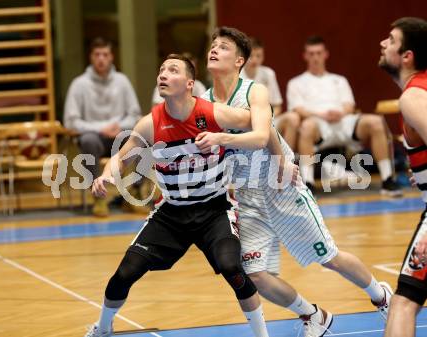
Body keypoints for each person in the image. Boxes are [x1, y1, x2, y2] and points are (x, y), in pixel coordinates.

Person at [200, 26, 393, 337]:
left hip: (279, 185)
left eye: (223, 47)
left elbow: (264, 134)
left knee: (328, 257)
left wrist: (281, 161)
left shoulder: (254, 91)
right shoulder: (204, 101)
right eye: (213, 45)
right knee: (255, 273)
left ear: (239, 61)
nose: (214, 50)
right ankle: (312, 314)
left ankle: (381, 296)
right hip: (247, 196)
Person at [84, 54, 273, 337]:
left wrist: (255, 107)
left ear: (189, 84)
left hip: (215, 210)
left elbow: (260, 125)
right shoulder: (150, 123)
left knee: (232, 268)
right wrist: (108, 174)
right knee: (124, 274)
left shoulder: (214, 114)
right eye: (161, 69)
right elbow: (120, 158)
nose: (163, 74)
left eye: (172, 70)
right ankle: (103, 327)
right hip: (171, 212)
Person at [287, 35, 402, 196]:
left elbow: (349, 105)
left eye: (318, 53)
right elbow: (298, 109)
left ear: (326, 54)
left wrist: (340, 112)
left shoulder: (339, 80)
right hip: (318, 125)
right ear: (305, 56)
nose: (315, 57)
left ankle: (388, 179)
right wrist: (322, 114)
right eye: (311, 54)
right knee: (306, 126)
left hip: (343, 121)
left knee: (376, 122)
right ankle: (308, 184)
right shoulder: (296, 83)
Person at [378, 17, 427, 337]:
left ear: (406, 55)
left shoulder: (412, 97)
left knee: (404, 302)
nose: (383, 44)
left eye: (391, 40)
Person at [63, 37, 142, 217]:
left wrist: (119, 126)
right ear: (91, 57)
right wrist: (101, 128)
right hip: (95, 137)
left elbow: (135, 115)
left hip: (119, 136)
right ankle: (98, 197)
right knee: (88, 140)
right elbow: (71, 121)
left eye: (105, 54)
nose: (101, 59)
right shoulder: (79, 84)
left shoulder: (122, 81)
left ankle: (134, 194)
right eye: (97, 54)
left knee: (141, 139)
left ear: (111, 57)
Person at [241, 37, 300, 151]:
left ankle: (287, 160)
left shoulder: (268, 73)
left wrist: (268, 118)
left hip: (268, 119)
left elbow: (277, 105)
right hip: (245, 121)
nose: (255, 60)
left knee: (293, 118)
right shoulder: (236, 74)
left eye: (258, 56)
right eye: (251, 56)